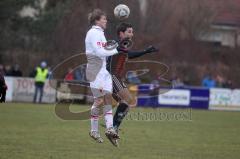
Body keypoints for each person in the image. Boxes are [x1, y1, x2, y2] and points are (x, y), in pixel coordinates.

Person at [106, 22, 158, 146]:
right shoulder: (116, 44)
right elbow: (123, 53)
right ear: (121, 33)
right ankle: (112, 128)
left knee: (126, 105)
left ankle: (113, 130)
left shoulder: (122, 46)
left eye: (132, 32)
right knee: (128, 99)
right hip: (111, 77)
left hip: (114, 77)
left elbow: (129, 54)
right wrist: (146, 51)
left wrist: (146, 51)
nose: (132, 34)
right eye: (129, 31)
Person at [85, 9, 120, 144]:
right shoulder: (93, 33)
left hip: (103, 71)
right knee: (99, 101)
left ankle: (110, 129)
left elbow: (104, 50)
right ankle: (93, 130)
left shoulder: (101, 34)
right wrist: (116, 49)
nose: (106, 21)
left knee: (108, 100)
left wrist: (116, 46)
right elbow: (100, 52)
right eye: (104, 19)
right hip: (95, 71)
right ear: (97, 20)